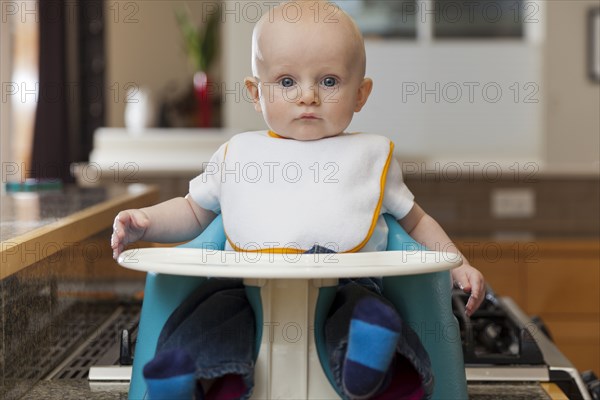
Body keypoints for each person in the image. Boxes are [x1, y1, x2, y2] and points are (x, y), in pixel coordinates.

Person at [111, 2, 485, 399]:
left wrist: (455, 262)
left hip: (346, 281)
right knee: (210, 317)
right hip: (244, 284)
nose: (307, 96)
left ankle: (368, 369)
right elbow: (191, 210)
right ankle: (187, 380)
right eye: (287, 81)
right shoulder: (237, 155)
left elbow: (415, 221)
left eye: (328, 82)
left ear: (360, 94)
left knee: (369, 313)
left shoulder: (371, 159)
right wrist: (147, 221)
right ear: (256, 93)